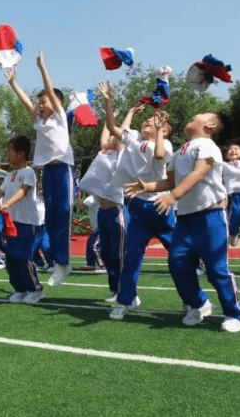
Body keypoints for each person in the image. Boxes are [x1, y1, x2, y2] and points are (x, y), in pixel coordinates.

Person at [129, 112, 240, 333]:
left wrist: (173, 197)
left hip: (211, 214)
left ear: (210, 125)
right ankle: (199, 304)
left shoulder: (207, 145)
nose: (193, 115)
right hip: (185, 218)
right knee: (177, 263)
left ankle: (235, 313)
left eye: (200, 115)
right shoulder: (181, 150)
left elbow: (199, 172)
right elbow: (170, 181)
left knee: (216, 269)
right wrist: (148, 187)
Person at [100, 83, 173, 320]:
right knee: (131, 257)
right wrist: (109, 101)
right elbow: (112, 127)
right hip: (139, 206)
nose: (148, 122)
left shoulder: (164, 143)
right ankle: (125, 300)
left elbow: (159, 155)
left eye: (152, 123)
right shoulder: (135, 139)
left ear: (163, 130)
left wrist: (160, 130)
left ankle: (193, 300)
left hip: (161, 205)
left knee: (179, 255)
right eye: (148, 121)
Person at [6, 50, 75, 287]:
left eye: (44, 101)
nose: (40, 104)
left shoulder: (59, 117)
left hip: (64, 169)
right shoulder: (40, 120)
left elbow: (51, 93)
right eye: (40, 102)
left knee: (64, 215)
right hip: (48, 171)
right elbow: (26, 102)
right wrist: (14, 84)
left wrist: (42, 68)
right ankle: (58, 262)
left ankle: (63, 263)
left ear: (56, 103)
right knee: (52, 218)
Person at [76, 100, 126, 302]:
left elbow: (117, 133)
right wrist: (108, 115)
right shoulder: (104, 151)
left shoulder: (121, 155)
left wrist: (115, 119)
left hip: (115, 211)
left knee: (118, 254)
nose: (112, 137)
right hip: (103, 213)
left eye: (116, 136)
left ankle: (126, 291)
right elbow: (105, 133)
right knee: (106, 254)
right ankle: (116, 290)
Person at [0, 135, 45, 303]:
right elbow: (0, 192)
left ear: (20, 153)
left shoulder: (29, 172)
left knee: (23, 257)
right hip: (11, 223)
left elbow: (22, 191)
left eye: (10, 151)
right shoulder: (10, 174)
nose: (8, 155)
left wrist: (5, 205)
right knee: (11, 258)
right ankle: (19, 289)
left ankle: (35, 289)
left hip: (27, 222)